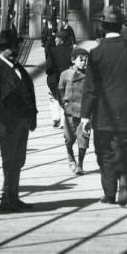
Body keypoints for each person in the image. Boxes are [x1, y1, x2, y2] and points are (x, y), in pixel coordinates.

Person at [78, 6, 127, 206]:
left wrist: (84, 117)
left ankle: (109, 193)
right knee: (124, 150)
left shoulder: (97, 53)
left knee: (104, 153)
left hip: (103, 114)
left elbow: (90, 88)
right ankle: (124, 180)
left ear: (103, 26)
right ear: (121, 26)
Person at [0, 29, 38, 212]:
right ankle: (0, 198)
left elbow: (28, 92)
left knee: (18, 161)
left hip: (22, 122)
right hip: (7, 124)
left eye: (15, 46)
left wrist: (33, 116)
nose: (14, 50)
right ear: (2, 49)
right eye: (9, 48)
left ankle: (13, 196)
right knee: (5, 161)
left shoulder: (19, 69)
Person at [57, 46, 90, 175]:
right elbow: (60, 90)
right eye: (81, 59)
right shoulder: (65, 74)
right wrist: (63, 105)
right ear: (73, 60)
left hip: (85, 113)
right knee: (69, 139)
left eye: (86, 60)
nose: (84, 62)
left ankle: (80, 164)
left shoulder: (90, 75)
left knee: (83, 139)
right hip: (69, 112)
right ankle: (70, 156)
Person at [45, 28, 75, 127]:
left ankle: (56, 118)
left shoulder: (54, 51)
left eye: (56, 39)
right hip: (69, 80)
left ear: (61, 40)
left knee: (53, 97)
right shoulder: (72, 51)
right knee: (66, 98)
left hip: (55, 80)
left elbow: (48, 68)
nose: (55, 40)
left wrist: (49, 72)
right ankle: (63, 121)